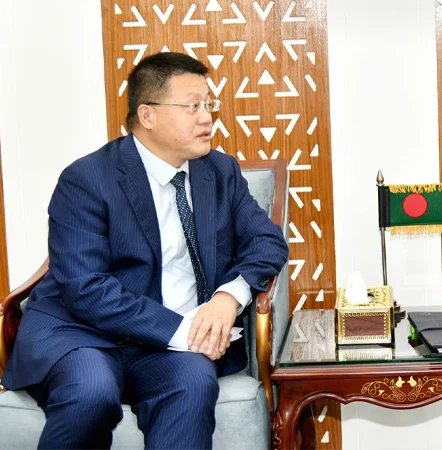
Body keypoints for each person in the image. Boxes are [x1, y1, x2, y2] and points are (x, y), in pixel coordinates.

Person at [0, 52, 289, 449]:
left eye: (209, 104)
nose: (207, 118)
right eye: (192, 106)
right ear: (147, 115)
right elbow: (85, 288)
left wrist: (228, 297)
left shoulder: (220, 172)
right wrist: (185, 332)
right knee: (91, 392)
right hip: (84, 335)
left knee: (193, 382)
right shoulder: (86, 179)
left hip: (171, 351)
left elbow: (267, 241)